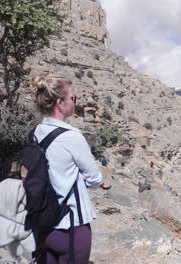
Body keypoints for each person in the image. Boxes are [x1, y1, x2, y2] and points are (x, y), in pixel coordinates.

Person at [31, 74, 103, 264]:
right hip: (71, 226)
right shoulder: (72, 137)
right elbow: (95, 179)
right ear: (60, 103)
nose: (75, 102)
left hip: (42, 224)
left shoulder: (36, 132)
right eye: (73, 98)